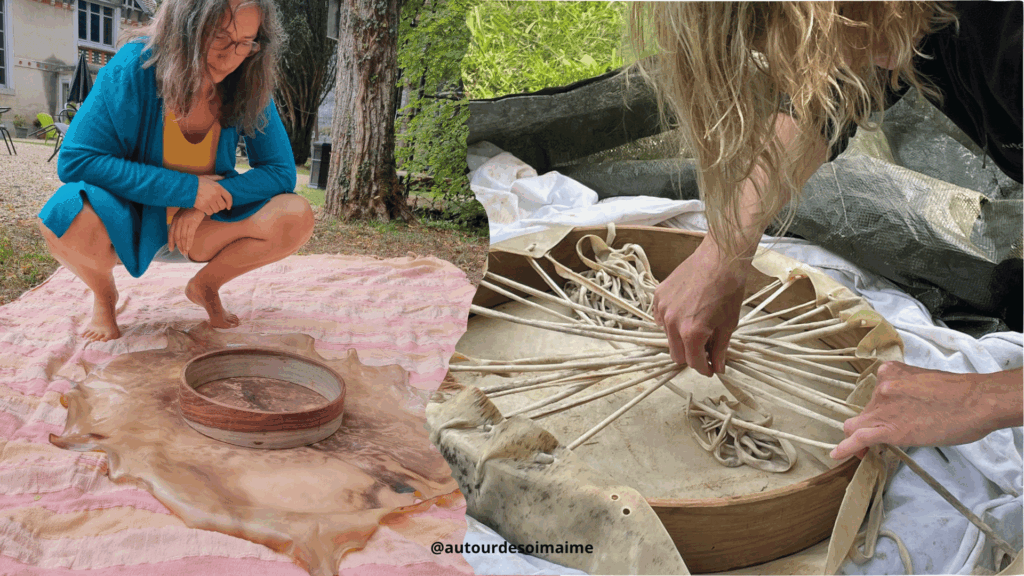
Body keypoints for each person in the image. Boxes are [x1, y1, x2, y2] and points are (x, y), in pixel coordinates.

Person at [632, 2, 1022, 460]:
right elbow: (826, 102)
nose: (867, 61)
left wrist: (983, 398)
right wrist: (722, 253)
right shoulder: (889, 13)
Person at [37, 0, 314, 342]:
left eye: (246, 42)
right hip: (131, 223)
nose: (232, 57)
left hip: (205, 228)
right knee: (63, 217)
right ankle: (104, 296)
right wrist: (188, 189)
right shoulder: (134, 65)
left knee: (296, 214)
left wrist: (207, 201)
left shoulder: (247, 79)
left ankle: (206, 285)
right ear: (185, 26)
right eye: (220, 37)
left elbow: (281, 172)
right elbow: (77, 159)